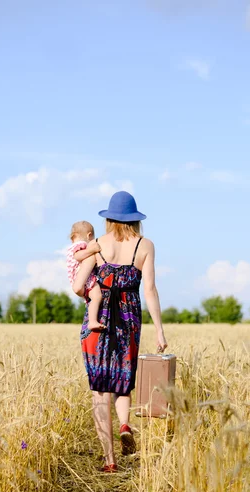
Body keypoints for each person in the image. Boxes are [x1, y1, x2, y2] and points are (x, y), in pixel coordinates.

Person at [72, 191, 167, 473]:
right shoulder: (145, 245)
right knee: (123, 382)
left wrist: (92, 294)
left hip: (97, 322)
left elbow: (78, 285)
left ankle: (109, 460)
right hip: (129, 320)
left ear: (109, 218)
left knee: (100, 391)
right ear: (135, 219)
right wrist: (160, 330)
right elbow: (149, 289)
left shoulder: (97, 244)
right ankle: (125, 424)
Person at [66, 221, 105, 331]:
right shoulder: (81, 245)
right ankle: (92, 321)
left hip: (77, 278)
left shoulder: (71, 247)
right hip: (84, 277)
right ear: (89, 235)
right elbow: (78, 256)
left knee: (93, 298)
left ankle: (92, 320)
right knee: (97, 296)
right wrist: (92, 249)